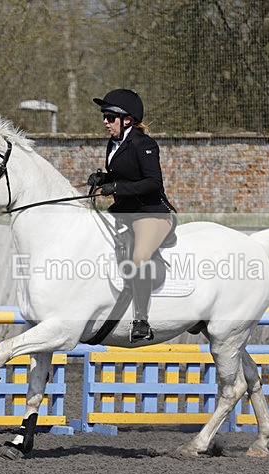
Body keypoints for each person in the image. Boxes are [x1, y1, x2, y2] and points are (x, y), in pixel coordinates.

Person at [89, 88, 176, 342]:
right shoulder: (114, 143)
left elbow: (153, 183)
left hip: (151, 214)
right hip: (125, 213)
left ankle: (141, 320)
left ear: (127, 119)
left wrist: (115, 187)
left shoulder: (144, 144)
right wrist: (103, 178)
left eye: (110, 117)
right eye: (104, 117)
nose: (105, 122)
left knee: (138, 258)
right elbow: (123, 175)